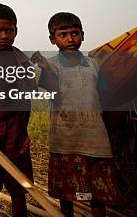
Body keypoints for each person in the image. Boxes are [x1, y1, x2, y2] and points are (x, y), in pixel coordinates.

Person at [32, 12, 121, 217]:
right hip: (66, 139)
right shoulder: (51, 65)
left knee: (98, 194)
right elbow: (55, 96)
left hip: (95, 139)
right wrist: (45, 68)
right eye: (63, 34)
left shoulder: (93, 64)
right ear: (52, 39)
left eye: (75, 33)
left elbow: (104, 96)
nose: (70, 39)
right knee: (68, 193)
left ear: (83, 35)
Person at [0, 3, 35, 217]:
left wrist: (23, 131)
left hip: (15, 128)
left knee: (18, 184)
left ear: (16, 31)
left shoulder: (21, 60)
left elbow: (27, 98)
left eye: (9, 30)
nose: (4, 35)